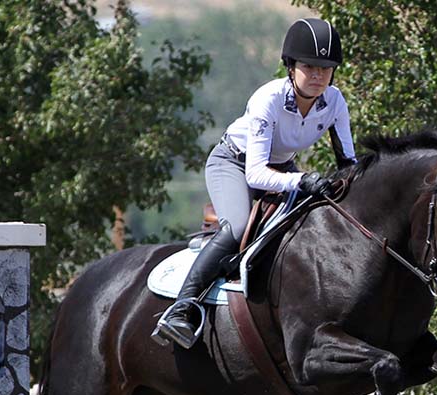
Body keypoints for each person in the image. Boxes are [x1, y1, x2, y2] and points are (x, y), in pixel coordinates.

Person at [152, 17, 356, 349]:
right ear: (290, 66)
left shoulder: (334, 102)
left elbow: (349, 163)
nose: (318, 75)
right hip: (234, 163)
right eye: (309, 66)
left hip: (283, 170)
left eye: (326, 68)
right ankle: (181, 308)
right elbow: (255, 174)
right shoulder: (269, 99)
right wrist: (303, 180)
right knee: (236, 228)